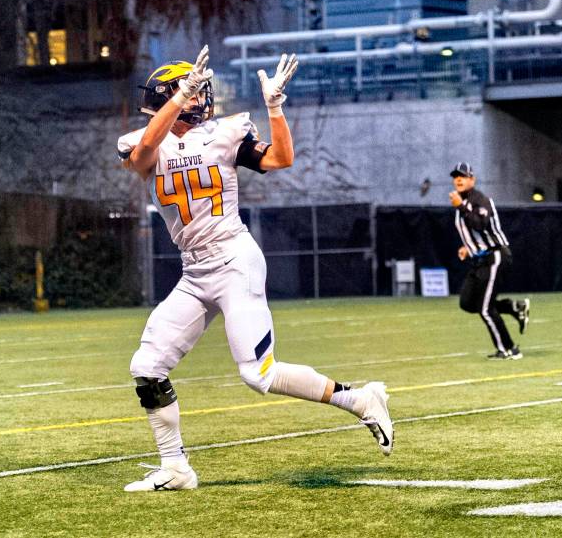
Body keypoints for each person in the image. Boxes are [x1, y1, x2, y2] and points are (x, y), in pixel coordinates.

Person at [117, 46, 393, 492]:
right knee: (147, 365)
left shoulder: (223, 135)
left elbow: (281, 159)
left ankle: (361, 399)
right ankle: (176, 467)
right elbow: (147, 152)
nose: (199, 95)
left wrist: (275, 108)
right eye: (190, 90)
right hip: (194, 271)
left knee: (258, 375)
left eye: (197, 89)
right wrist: (176, 100)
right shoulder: (141, 140)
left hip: (233, 259)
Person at [449, 162, 530, 360]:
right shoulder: (462, 201)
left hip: (494, 256)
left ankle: (509, 349)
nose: (458, 179)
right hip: (479, 259)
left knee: (485, 309)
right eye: (455, 176)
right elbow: (473, 233)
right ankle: (514, 307)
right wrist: (468, 248)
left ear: (472, 179)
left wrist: (461, 206)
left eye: (463, 176)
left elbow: (480, 223)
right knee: (467, 302)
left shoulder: (480, 200)